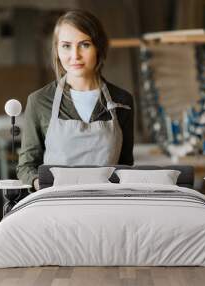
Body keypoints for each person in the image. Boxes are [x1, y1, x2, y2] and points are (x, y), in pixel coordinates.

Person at [17, 10, 134, 191]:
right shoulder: (39, 101)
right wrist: (42, 185)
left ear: (99, 47)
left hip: (107, 205)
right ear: (57, 49)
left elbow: (126, 166)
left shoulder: (122, 101)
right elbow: (26, 166)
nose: (75, 55)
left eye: (84, 45)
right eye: (66, 46)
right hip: (56, 206)